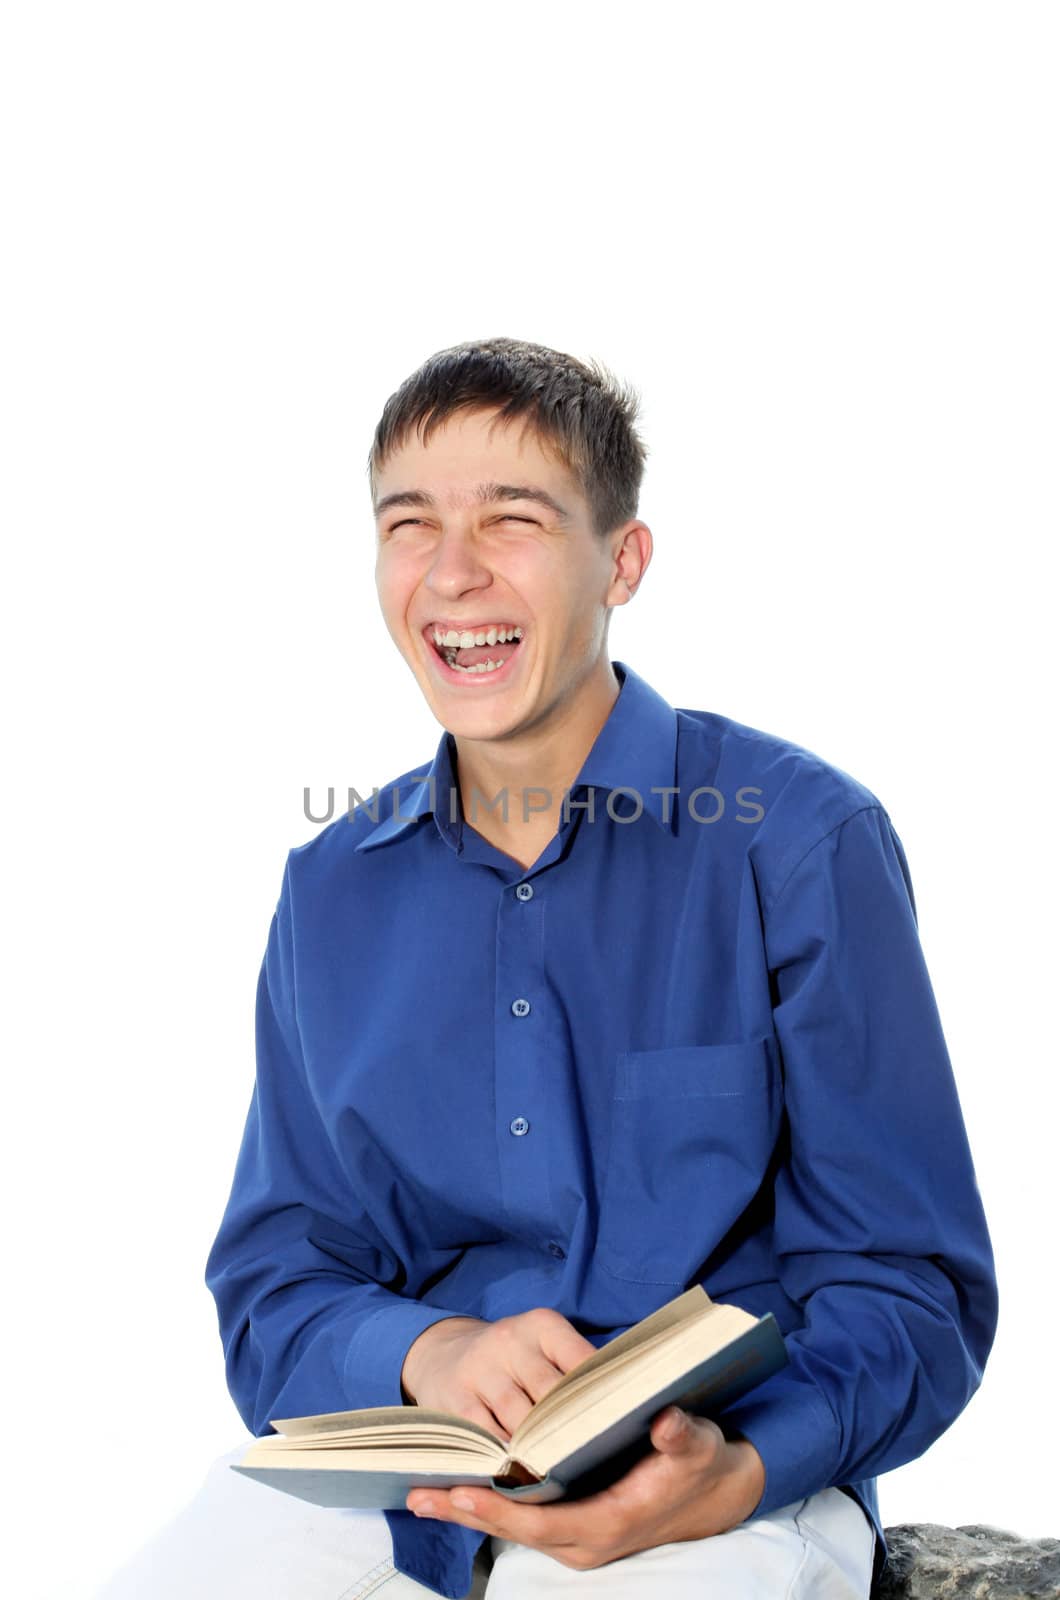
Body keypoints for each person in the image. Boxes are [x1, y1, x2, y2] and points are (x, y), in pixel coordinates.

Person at [97, 337, 998, 1600]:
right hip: (400, 1489)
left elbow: (910, 1283)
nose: (451, 573)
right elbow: (272, 1278)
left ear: (621, 561)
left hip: (713, 1494)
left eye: (511, 520)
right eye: (408, 524)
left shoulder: (796, 844)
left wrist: (739, 1468)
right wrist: (431, 1349)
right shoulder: (331, 888)